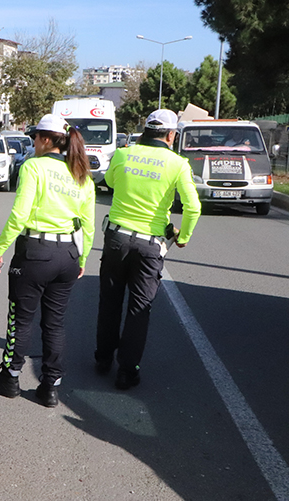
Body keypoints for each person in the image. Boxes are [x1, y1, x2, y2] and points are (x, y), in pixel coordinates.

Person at [0, 114, 95, 408]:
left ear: (46, 139)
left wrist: (0, 249)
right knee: (55, 324)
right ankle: (50, 387)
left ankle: (10, 378)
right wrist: (82, 257)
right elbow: (89, 225)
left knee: (20, 319)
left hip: (35, 252)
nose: (33, 142)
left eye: (35, 137)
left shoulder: (33, 166)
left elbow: (20, 214)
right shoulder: (81, 173)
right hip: (68, 255)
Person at [95, 109, 201, 390]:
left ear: (145, 130)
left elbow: (110, 183)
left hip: (116, 239)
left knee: (110, 302)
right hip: (150, 245)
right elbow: (193, 206)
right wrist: (183, 236)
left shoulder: (123, 153)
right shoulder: (177, 164)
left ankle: (103, 358)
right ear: (171, 135)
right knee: (139, 308)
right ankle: (127, 371)